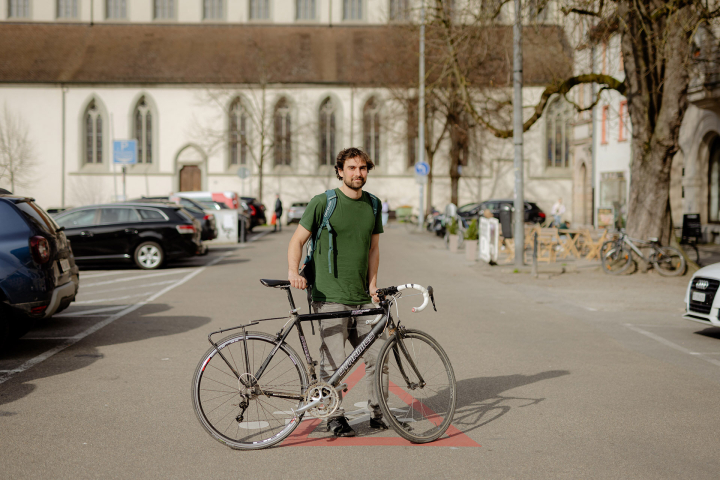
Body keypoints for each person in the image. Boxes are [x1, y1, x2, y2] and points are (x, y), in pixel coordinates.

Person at [287, 147, 385, 438]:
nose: (358, 173)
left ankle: (380, 414)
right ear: (340, 171)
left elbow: (374, 248)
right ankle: (335, 417)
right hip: (328, 294)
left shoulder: (374, 205)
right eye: (352, 168)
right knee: (334, 359)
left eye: (363, 168)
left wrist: (373, 285)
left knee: (378, 356)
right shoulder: (323, 202)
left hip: (362, 296)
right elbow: (297, 240)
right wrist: (293, 272)